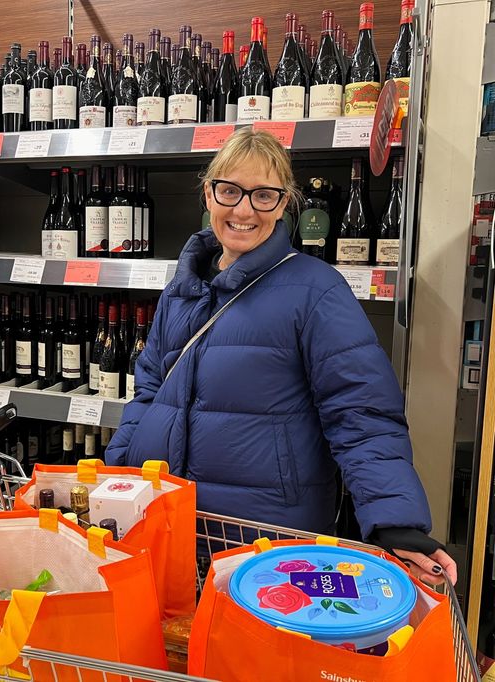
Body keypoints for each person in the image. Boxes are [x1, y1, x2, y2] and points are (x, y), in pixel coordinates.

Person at [105, 128, 456, 586]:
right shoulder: (182, 289)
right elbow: (150, 389)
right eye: (229, 190)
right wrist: (117, 471)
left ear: (284, 202)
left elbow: (362, 412)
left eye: (264, 195)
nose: (244, 209)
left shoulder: (317, 291)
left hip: (265, 539)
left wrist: (394, 518)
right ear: (208, 194)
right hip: (165, 524)